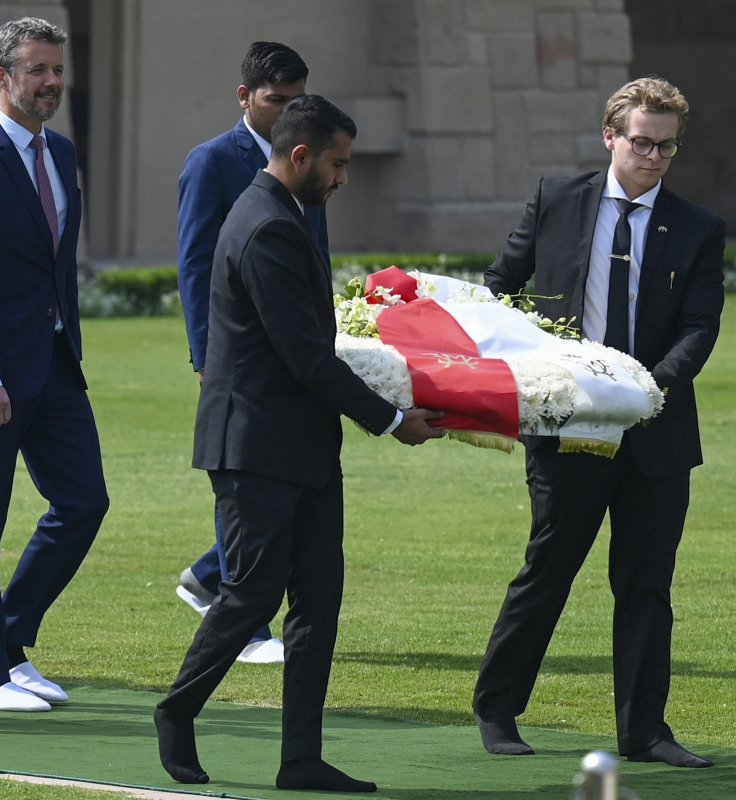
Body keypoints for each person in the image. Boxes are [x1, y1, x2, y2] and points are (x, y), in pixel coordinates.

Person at [154, 95, 444, 792]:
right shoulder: (266, 227)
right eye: (339, 164)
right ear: (303, 155)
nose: (344, 178)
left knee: (318, 600)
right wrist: (391, 419)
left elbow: (313, 348)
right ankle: (176, 709)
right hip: (254, 446)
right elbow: (306, 357)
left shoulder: (286, 216)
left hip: (301, 445)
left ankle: (301, 760)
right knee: (252, 596)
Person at [474, 76, 724, 769]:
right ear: (610, 136)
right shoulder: (557, 200)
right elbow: (499, 291)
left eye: (666, 148)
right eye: (641, 142)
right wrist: (524, 369)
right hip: (566, 426)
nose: (652, 157)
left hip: (656, 434)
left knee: (646, 585)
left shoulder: (699, 227)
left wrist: (647, 389)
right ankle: (497, 710)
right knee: (548, 568)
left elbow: (701, 326)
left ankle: (645, 731)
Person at [0, 16, 109, 713]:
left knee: (84, 502)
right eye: (37, 70)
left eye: (56, 71)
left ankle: (10, 636)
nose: (51, 83)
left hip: (56, 364)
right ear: (2, 77)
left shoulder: (62, 155)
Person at [175, 41, 327, 665]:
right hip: (236, 353)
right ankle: (247, 624)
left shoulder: (311, 153)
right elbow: (193, 263)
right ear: (245, 98)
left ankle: (209, 579)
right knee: (244, 470)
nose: (289, 110)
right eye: (276, 100)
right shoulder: (212, 162)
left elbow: (314, 251)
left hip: (295, 348)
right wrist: (206, 353)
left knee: (278, 475)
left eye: (297, 99)